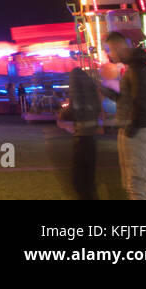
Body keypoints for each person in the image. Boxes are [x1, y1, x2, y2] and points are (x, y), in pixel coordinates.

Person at [95, 32, 146, 199]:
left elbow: (145, 103)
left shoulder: (137, 69)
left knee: (137, 182)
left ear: (118, 47)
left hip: (138, 133)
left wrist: (131, 130)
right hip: (138, 130)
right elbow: (131, 100)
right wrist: (107, 91)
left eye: (108, 49)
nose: (108, 54)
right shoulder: (135, 68)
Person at [66, 66, 100, 199]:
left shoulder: (76, 86)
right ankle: (90, 193)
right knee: (89, 168)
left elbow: (75, 108)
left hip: (81, 132)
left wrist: (64, 113)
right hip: (92, 132)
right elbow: (97, 108)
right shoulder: (91, 86)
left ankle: (85, 194)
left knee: (79, 169)